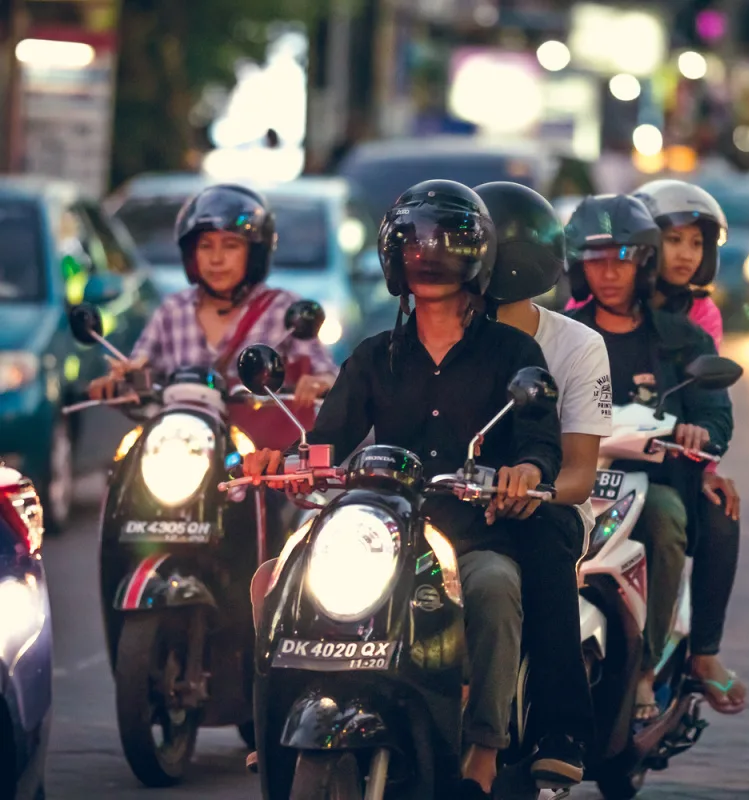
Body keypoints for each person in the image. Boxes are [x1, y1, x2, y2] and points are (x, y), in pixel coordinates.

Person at [244, 180, 582, 798]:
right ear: (394, 258)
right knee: (277, 576)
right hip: (380, 534)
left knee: (497, 586)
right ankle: (270, 723)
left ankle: (482, 750)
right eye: (414, 242)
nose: (427, 254)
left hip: (473, 532)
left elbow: (539, 439)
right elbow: (327, 439)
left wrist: (526, 472)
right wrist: (286, 461)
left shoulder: (512, 352)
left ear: (476, 257)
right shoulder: (375, 356)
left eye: (444, 243)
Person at [563, 194, 734, 723]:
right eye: (595, 260)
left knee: (667, 518)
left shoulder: (684, 337)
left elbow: (716, 416)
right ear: (577, 268)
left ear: (643, 263)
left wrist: (697, 431)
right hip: (577, 484)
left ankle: (645, 667)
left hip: (651, 484)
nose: (608, 273)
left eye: (621, 258)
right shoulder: (562, 334)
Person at [473, 181, 610, 764]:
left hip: (544, 504)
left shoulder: (577, 347)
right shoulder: (431, 330)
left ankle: (561, 726)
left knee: (544, 548)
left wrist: (531, 488)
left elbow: (579, 475)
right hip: (450, 498)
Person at [633, 179, 745, 714]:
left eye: (695, 244)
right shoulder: (590, 305)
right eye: (673, 239)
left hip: (673, 459)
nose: (684, 254)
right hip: (607, 456)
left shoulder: (701, 317)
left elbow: (708, 400)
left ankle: (703, 653)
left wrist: (705, 464)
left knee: (720, 512)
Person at [88, 184, 336, 411]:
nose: (216, 259)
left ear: (255, 253)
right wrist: (118, 381)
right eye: (206, 246)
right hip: (180, 443)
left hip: (261, 452)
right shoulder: (173, 310)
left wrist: (320, 382)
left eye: (230, 246)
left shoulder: (282, 309)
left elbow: (326, 374)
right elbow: (140, 369)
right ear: (191, 254)